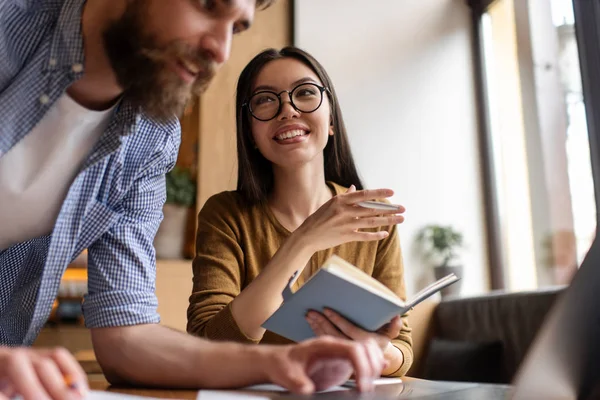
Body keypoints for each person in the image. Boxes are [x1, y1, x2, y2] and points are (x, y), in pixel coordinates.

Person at [0, 1, 387, 399]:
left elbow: (125, 337)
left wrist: (277, 364)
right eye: (207, 5)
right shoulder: (9, 31)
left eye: (236, 29)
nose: (220, 51)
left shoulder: (151, 137)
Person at [187, 46, 413, 378]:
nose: (288, 110)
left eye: (305, 93)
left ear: (331, 119)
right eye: (265, 100)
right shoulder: (225, 215)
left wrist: (377, 351)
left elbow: (402, 346)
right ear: (249, 132)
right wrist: (303, 241)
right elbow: (208, 343)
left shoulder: (373, 219)